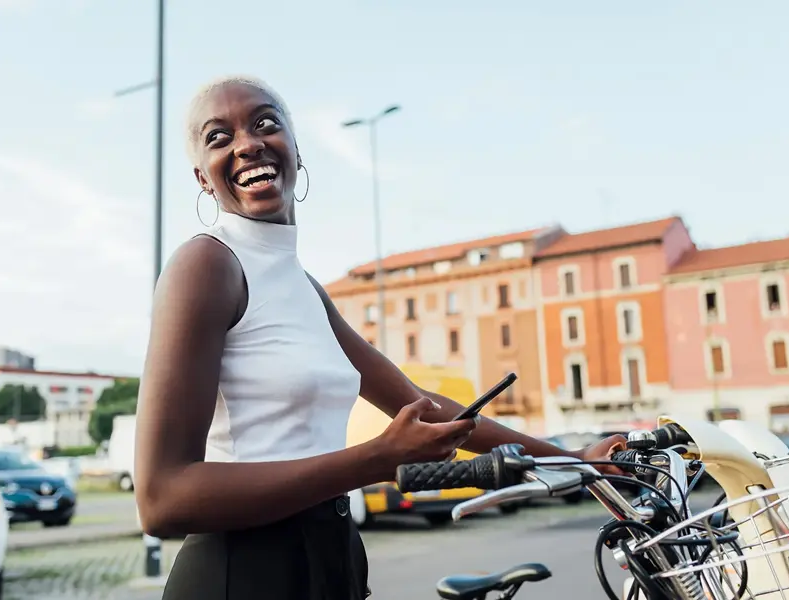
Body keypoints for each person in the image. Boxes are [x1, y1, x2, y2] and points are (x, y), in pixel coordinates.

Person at [133, 75, 627, 600]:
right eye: (219, 137)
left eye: (265, 123)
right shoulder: (205, 265)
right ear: (202, 179)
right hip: (242, 574)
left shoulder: (303, 289)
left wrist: (575, 460)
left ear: (296, 149)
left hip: (334, 561)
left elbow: (425, 405)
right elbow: (163, 500)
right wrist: (377, 457)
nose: (248, 143)